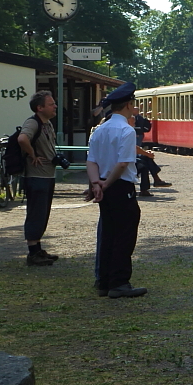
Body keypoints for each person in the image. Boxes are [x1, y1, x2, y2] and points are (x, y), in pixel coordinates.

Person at [85, 82, 146, 299]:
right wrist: (107, 184)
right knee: (124, 234)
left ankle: (103, 280)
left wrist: (96, 185)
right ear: (129, 105)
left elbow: (91, 161)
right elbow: (122, 164)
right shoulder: (126, 131)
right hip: (119, 185)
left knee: (107, 232)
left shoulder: (99, 130)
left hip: (102, 184)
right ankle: (119, 282)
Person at [19, 91, 59, 266]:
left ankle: (38, 249)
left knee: (43, 214)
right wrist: (33, 155)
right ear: (39, 108)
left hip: (47, 175)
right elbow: (22, 139)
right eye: (51, 104)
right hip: (36, 177)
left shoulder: (47, 123)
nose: (55, 106)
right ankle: (33, 253)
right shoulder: (32, 122)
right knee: (36, 213)